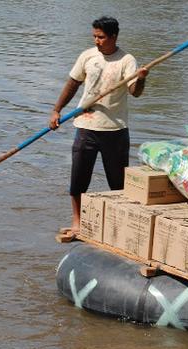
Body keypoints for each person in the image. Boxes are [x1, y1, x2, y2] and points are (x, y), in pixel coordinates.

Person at [49, 16, 149, 238]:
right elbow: (72, 84)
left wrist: (141, 78)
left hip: (115, 129)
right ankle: (77, 223)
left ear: (114, 36)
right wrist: (57, 110)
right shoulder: (88, 56)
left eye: (101, 37)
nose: (97, 41)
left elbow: (135, 92)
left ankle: (121, 226)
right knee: (78, 177)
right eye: (94, 36)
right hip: (86, 125)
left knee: (118, 183)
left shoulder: (126, 60)